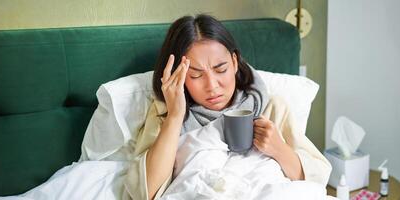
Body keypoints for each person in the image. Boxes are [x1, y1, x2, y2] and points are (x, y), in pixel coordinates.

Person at [124, 14, 331, 200]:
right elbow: (146, 192)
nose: (212, 86)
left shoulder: (272, 107)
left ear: (234, 62)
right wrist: (175, 116)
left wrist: (280, 150)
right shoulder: (165, 115)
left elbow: (315, 178)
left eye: (220, 69)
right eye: (195, 75)